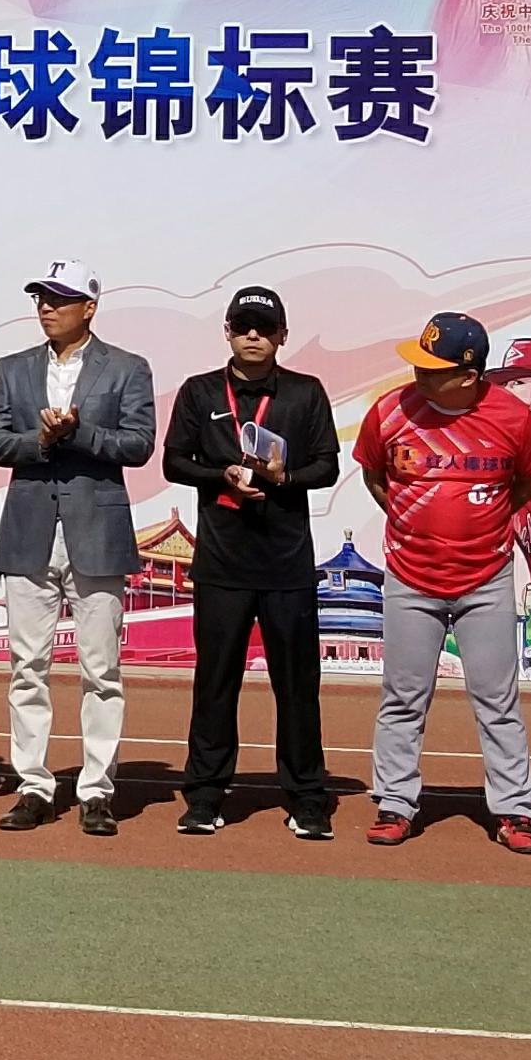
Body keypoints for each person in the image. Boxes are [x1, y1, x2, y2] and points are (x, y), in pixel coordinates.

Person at [358, 311, 531, 853]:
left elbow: (527, 482)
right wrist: (415, 522)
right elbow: (375, 476)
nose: (419, 375)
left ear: (469, 375)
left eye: (433, 368)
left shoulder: (514, 418)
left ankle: (515, 810)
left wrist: (479, 526)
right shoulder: (389, 411)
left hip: (486, 578)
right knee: (403, 697)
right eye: (418, 364)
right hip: (410, 576)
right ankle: (395, 803)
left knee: (497, 700)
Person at [0, 258, 156, 837]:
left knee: (101, 669)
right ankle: (33, 785)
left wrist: (78, 433)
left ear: (90, 307)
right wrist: (41, 440)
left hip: (96, 533)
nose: (46, 308)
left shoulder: (127, 367)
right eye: (41, 298)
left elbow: (139, 444)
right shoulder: (13, 368)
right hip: (29, 531)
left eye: (58, 298)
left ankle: (97, 789)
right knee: (27, 667)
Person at [158, 285, 342, 839]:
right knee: (215, 684)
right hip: (222, 563)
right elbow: (174, 462)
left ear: (282, 334)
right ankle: (205, 794)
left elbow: (327, 467)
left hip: (287, 564)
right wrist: (222, 476)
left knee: (297, 686)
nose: (253, 336)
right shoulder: (199, 391)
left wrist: (284, 477)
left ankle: (307, 797)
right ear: (228, 333)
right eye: (243, 327)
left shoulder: (306, 392)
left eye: (264, 328)